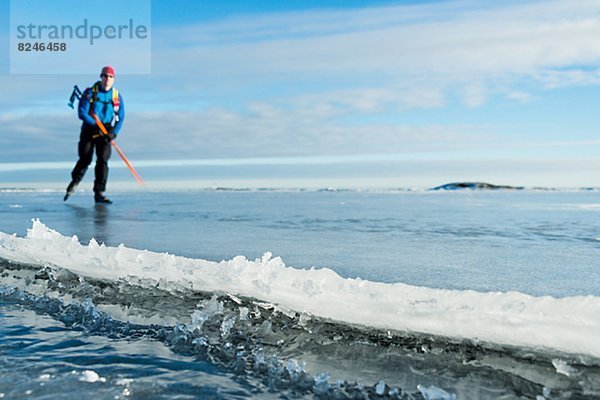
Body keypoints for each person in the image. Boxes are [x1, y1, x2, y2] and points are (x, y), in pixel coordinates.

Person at [64, 65, 125, 203]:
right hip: (90, 129)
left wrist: (113, 133)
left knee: (103, 160)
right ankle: (74, 181)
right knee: (85, 159)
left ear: (113, 79)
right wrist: (94, 125)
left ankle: (99, 192)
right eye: (105, 76)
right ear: (101, 77)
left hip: (106, 131)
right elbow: (82, 113)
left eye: (110, 76)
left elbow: (121, 117)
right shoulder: (90, 93)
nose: (107, 79)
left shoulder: (116, 96)